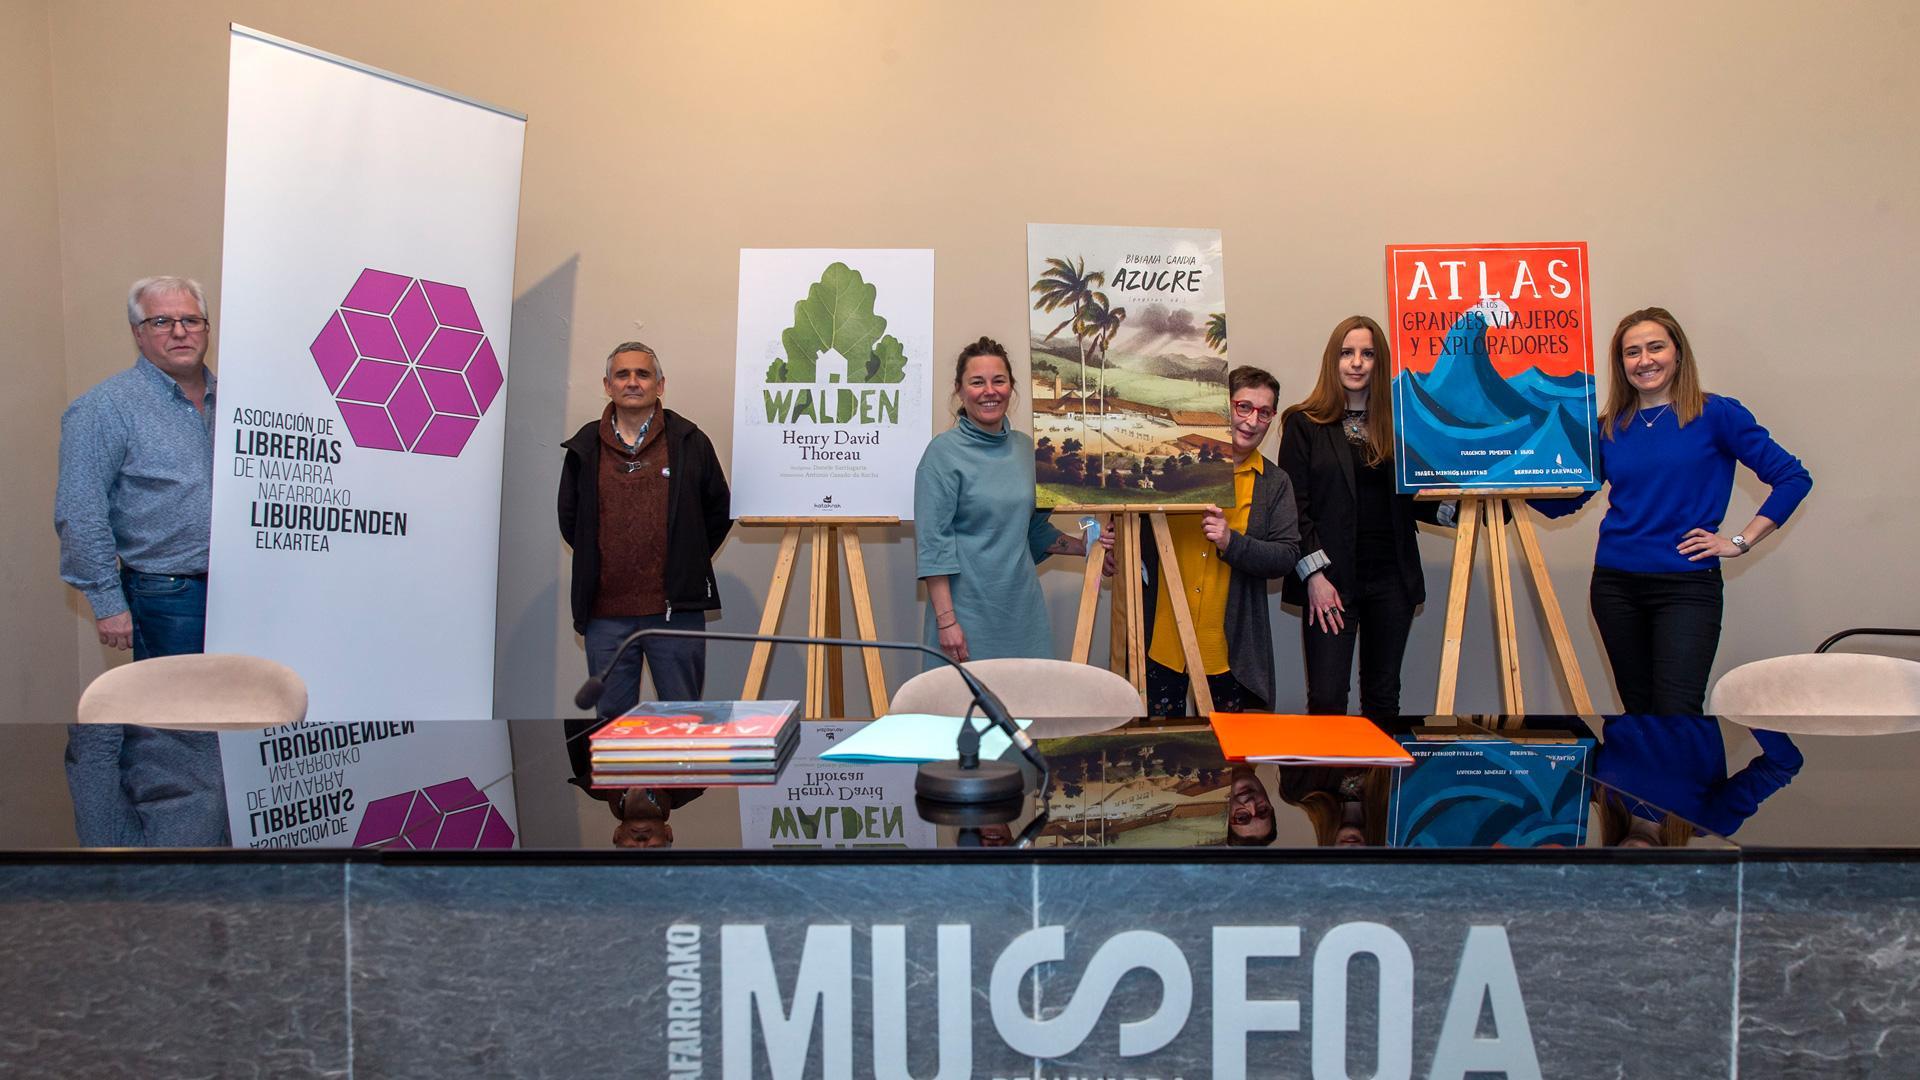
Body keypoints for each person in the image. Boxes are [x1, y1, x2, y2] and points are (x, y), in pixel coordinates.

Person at [1532, 308, 1812, 714]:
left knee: (1677, 712)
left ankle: (1689, 780)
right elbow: (1564, 504)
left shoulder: (1715, 414)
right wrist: (1499, 478)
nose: (1644, 360)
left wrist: (1740, 541)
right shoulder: (1608, 427)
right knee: (1640, 713)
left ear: (1678, 354)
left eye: (1655, 347)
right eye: (1632, 352)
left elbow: (1792, 476)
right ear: (1621, 363)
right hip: (1615, 587)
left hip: (1686, 588)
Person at [55, 275, 230, 847]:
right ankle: (177, 869)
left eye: (192, 320)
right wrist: (107, 602)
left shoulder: (241, 402)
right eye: (162, 321)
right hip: (168, 597)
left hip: (251, 593)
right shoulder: (104, 409)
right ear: (137, 332)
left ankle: (235, 860)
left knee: (244, 729)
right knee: (175, 745)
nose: (180, 331)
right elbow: (80, 512)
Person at [559, 342, 732, 781]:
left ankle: (675, 805)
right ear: (607, 385)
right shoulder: (584, 448)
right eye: (622, 375)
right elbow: (570, 521)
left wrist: (685, 562)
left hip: (675, 613)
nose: (632, 382)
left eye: (642, 374)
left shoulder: (690, 442)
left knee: (685, 728)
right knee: (613, 728)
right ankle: (623, 800)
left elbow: (717, 510)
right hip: (605, 616)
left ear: (660, 385)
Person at [1278, 315, 1453, 717]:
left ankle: (1378, 782)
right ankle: (1329, 782)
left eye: (1367, 354)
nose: (1356, 362)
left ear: (1380, 362)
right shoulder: (1303, 424)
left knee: (1383, 697)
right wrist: (1315, 577)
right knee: (1326, 699)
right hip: (1330, 583)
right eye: (1347, 352)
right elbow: (1295, 509)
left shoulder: (1399, 427)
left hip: (1392, 580)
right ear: (1332, 360)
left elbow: (1419, 498)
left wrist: (1482, 498)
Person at [915, 336, 1097, 665]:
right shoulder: (941, 455)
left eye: (999, 381)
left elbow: (1033, 530)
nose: (989, 391)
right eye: (977, 382)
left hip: (1023, 617)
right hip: (965, 620)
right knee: (963, 714)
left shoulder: (1028, 450)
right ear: (959, 389)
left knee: (1030, 712)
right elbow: (933, 545)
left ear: (1011, 387)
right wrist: (947, 622)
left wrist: (1086, 546)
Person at [1140, 365, 1300, 715]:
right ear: (1223, 407)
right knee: (1158, 762)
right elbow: (1137, 534)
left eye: (1264, 412)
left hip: (1229, 654)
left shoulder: (1274, 482)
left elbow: (1286, 556)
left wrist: (1232, 542)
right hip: (1161, 645)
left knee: (1228, 767)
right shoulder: (1172, 465)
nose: (1252, 421)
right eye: (1243, 407)